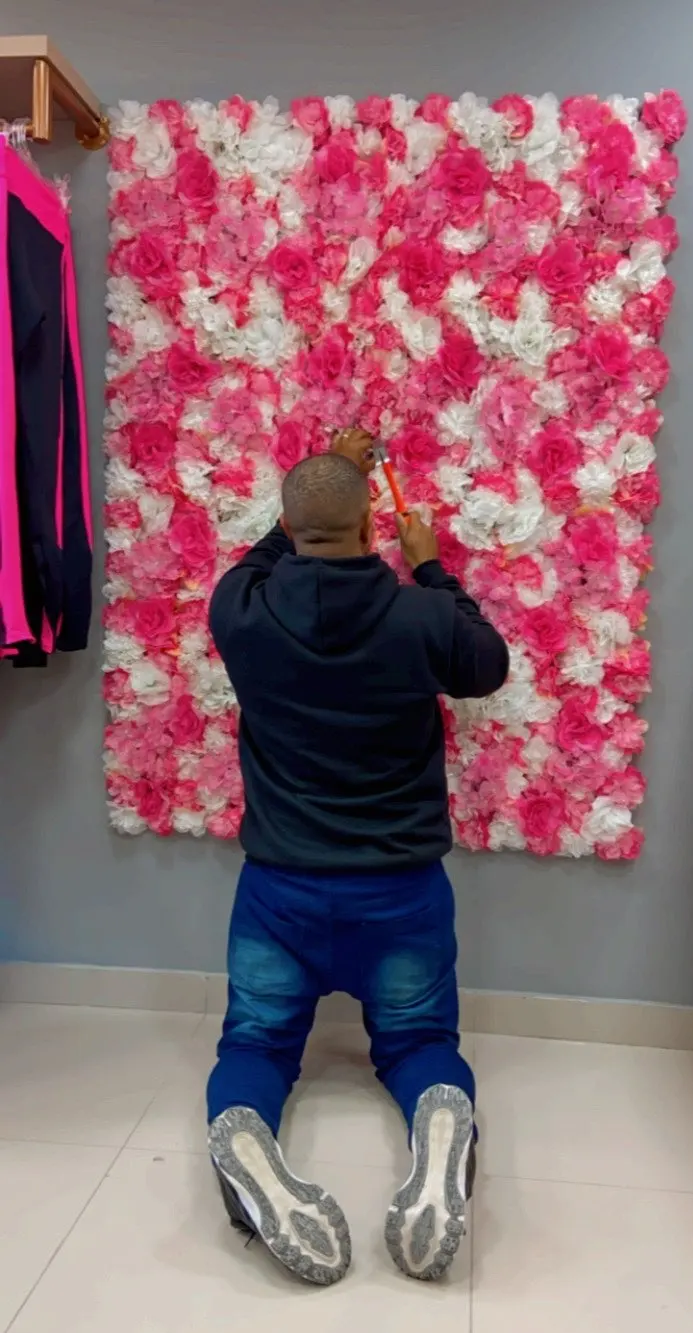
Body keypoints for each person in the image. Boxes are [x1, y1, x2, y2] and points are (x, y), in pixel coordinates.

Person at [207, 429, 509, 1286]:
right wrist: (432, 566)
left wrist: (321, 483)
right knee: (417, 1042)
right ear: (375, 524)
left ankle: (246, 1142)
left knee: (258, 1046)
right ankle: (440, 1131)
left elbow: (267, 553)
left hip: (279, 891)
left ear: (288, 524)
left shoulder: (238, 610)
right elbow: (487, 665)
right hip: (400, 889)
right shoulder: (422, 616)